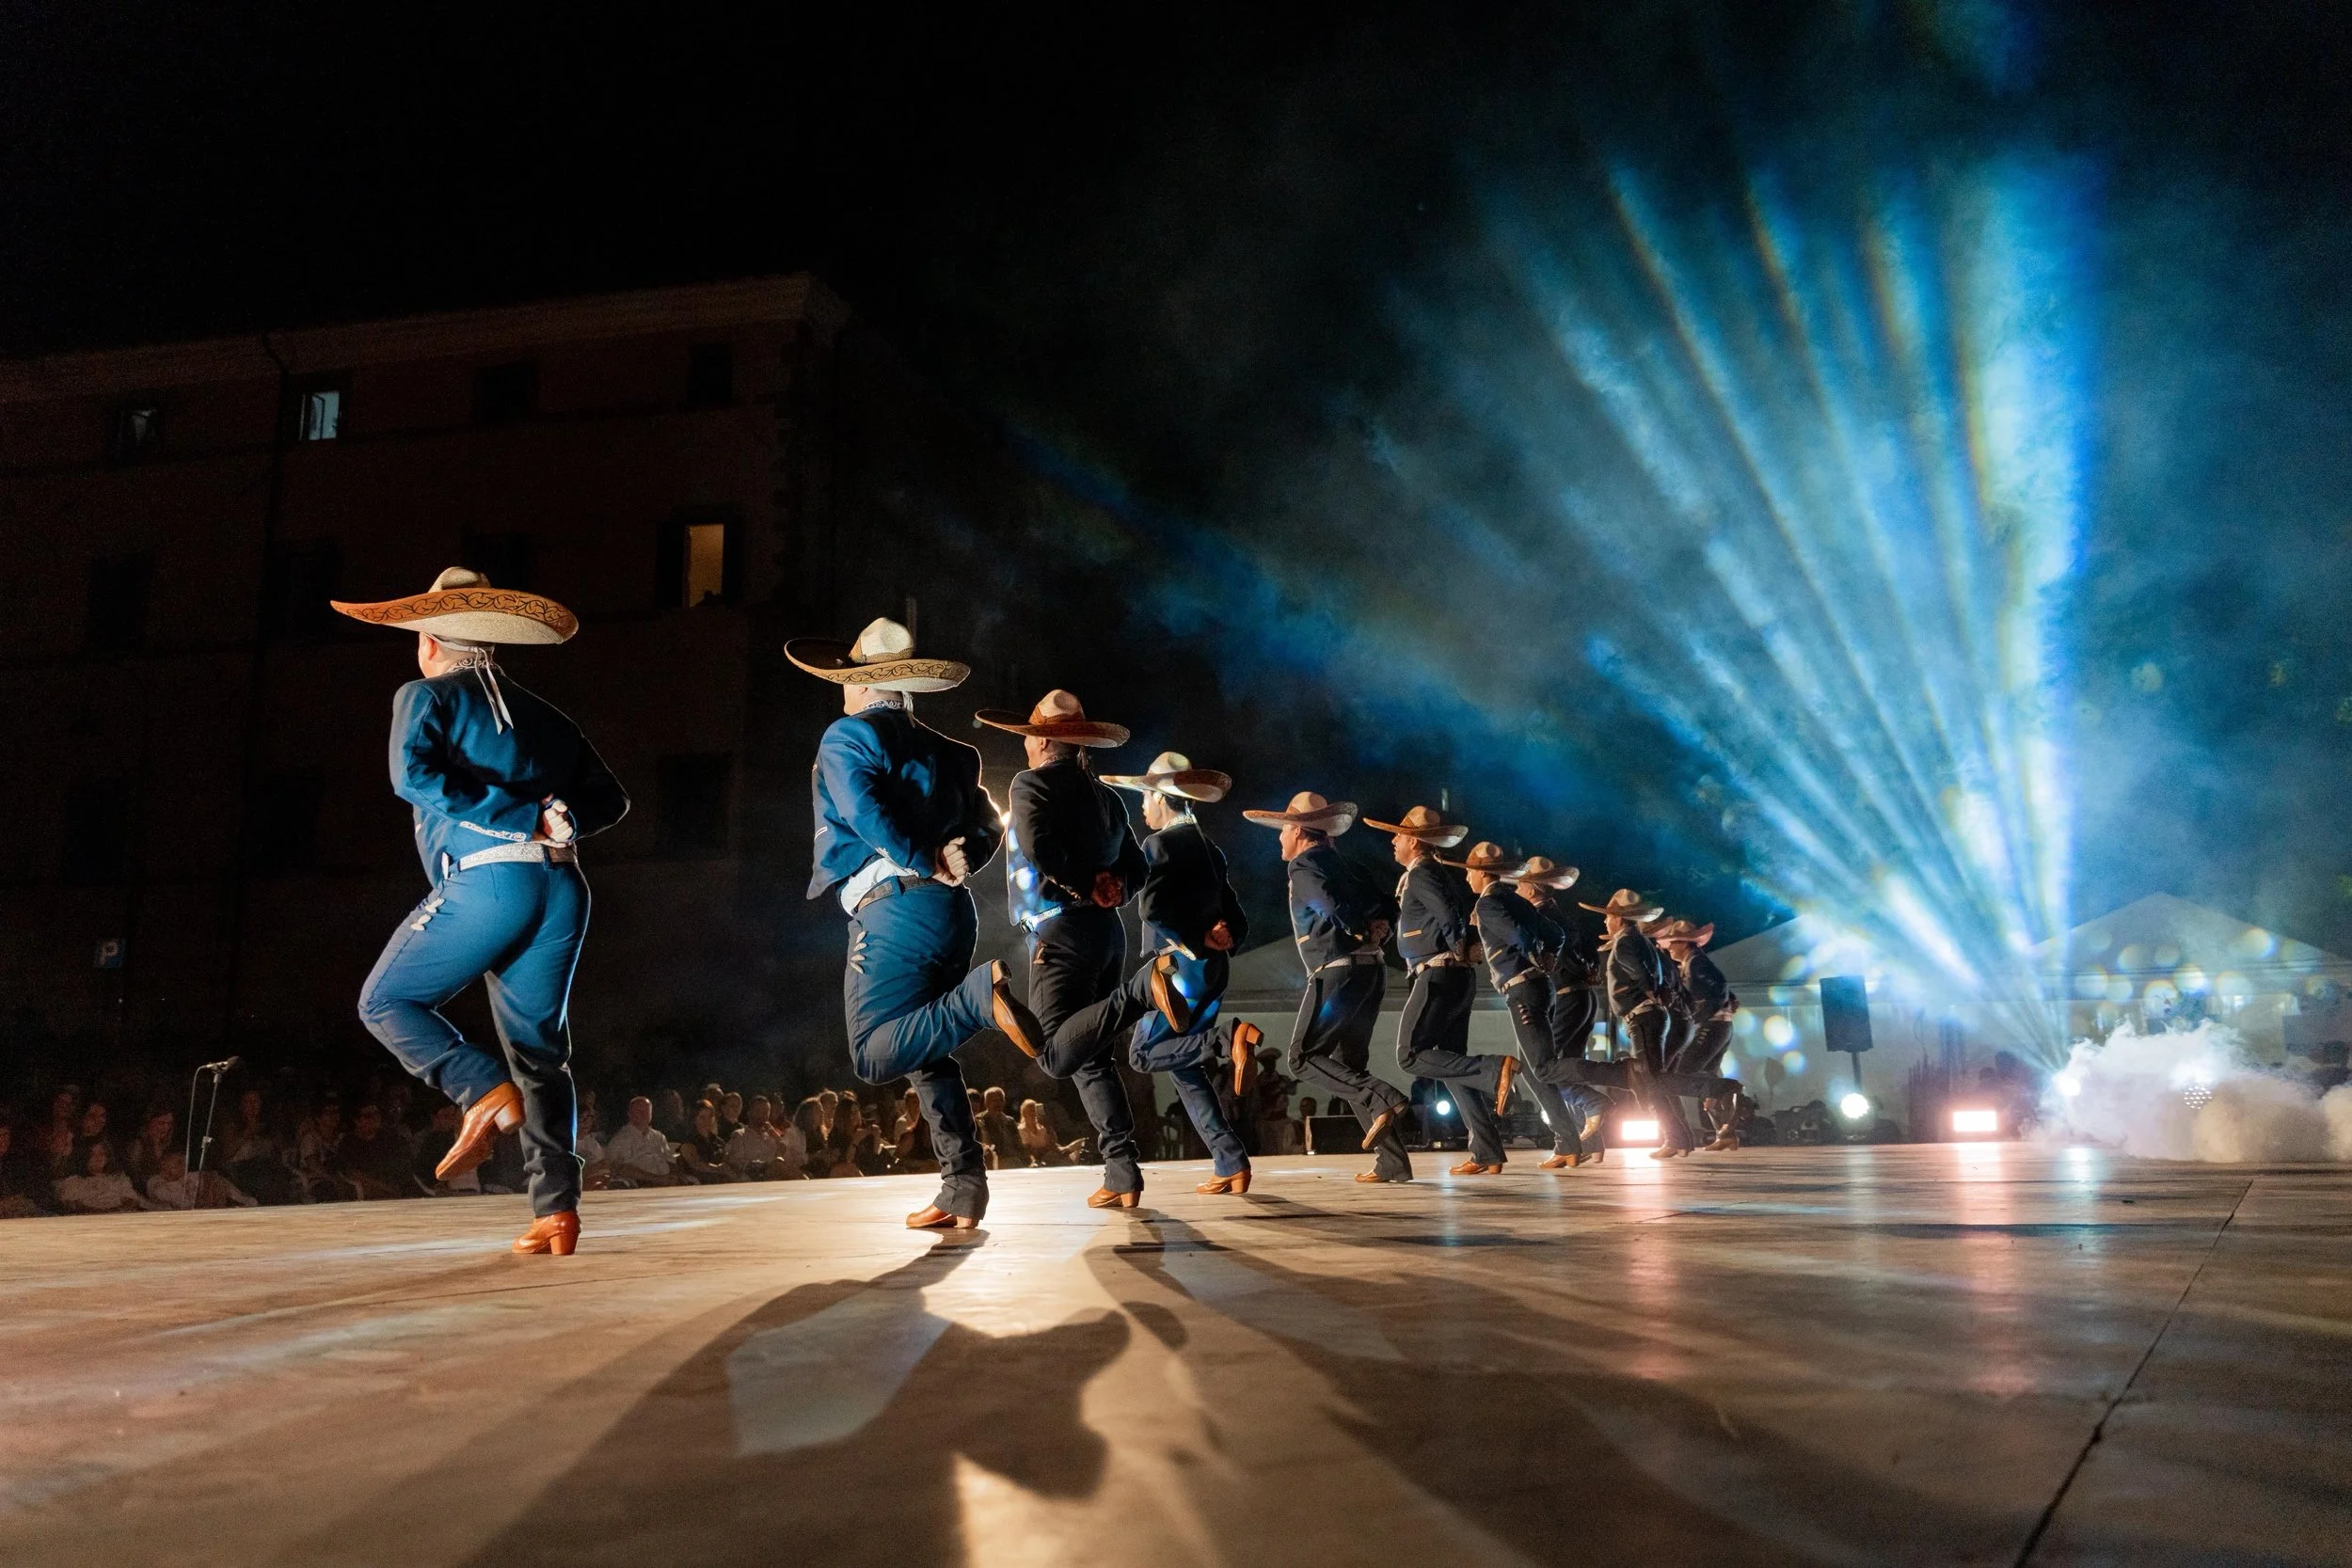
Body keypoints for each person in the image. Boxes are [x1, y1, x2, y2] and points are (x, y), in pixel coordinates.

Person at [339, 567, 629, 1256]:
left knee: (384, 1001)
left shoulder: (424, 694)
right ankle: (556, 1209)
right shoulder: (548, 715)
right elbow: (611, 800)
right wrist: (560, 819)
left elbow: (410, 775)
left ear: (430, 640)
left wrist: (522, 818)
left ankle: (480, 1089)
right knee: (541, 1053)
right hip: (563, 888)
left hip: (491, 882)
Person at [790, 616, 1042, 1229]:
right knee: (927, 1051)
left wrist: (922, 856)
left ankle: (981, 997)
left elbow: (864, 809)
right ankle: (963, 1185)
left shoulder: (846, 737)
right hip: (951, 911)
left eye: (848, 680)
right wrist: (962, 856)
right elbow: (990, 823)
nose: (842, 691)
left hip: (894, 907)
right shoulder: (954, 753)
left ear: (871, 686)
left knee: (874, 1054)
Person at [977, 689, 1152, 1211]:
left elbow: (1036, 845)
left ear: (1046, 740)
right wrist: (1112, 885)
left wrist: (1081, 882)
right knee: (1090, 1059)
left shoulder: (1031, 783)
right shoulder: (1107, 798)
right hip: (1106, 932)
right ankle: (1122, 1173)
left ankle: (1144, 990)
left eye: (1032, 739)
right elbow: (1138, 868)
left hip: (1060, 932)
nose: (1027, 749)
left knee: (1054, 1053)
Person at [1242, 791, 1412, 1182]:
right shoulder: (1346, 864)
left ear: (1300, 832)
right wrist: (1377, 931)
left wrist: (1354, 929)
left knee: (1302, 1058)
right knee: (1350, 1066)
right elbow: (1390, 905)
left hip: (1337, 972)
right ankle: (1392, 1162)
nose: (1279, 838)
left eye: (1283, 829)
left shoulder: (1304, 864)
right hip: (1371, 972)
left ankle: (1383, 1096)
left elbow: (1329, 905)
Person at [1373, 811, 1512, 1177]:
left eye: (1399, 836)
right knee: (1452, 1067)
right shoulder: (1433, 874)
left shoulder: (1422, 873)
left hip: (1439, 973)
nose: (1393, 842)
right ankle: (1487, 1151)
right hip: (1452, 975)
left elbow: (1449, 915)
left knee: (1409, 1054)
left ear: (1415, 841)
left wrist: (1457, 946)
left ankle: (1494, 1068)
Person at [1506, 857, 1618, 1166]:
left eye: (1519, 885)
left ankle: (1590, 1104)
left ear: (1530, 889)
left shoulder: (1541, 917)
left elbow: (1559, 956)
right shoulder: (1560, 914)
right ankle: (1589, 1139)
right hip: (1580, 998)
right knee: (1562, 1066)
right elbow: (1586, 955)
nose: (1516, 889)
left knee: (1540, 1068)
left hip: (1566, 997)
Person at [1584, 887, 1692, 1158]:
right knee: (1652, 1078)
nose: (1606, 921)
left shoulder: (1625, 943)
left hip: (1642, 1017)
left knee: (1649, 1080)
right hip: (1650, 1016)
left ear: (1619, 919)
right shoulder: (1640, 940)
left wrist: (1647, 991)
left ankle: (1676, 1137)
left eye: (1609, 917)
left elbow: (1640, 974)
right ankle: (1679, 1137)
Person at [1656, 918, 1741, 1151]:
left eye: (1672, 942)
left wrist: (1697, 1018)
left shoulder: (1695, 963)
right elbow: (1720, 986)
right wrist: (1729, 999)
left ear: (1684, 943)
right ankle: (1725, 1132)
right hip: (1720, 1027)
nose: (1669, 947)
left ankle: (1726, 1090)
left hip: (1712, 1027)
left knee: (1683, 1073)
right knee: (1707, 1076)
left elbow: (1719, 988)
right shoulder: (1695, 963)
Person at [56, 1140, 158, 1213]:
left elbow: (131, 1200)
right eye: (93, 1154)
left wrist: (116, 1212)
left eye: (102, 1153)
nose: (98, 1158)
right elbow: (73, 1206)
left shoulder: (118, 1178)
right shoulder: (74, 1182)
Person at [338, 1102, 413, 1198]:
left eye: (377, 1114)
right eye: (369, 1116)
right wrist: (384, 1187)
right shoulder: (348, 1143)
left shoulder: (389, 1137)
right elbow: (353, 1173)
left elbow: (403, 1161)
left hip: (396, 1184)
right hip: (371, 1188)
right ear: (357, 1120)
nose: (375, 1118)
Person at [604, 1097, 681, 1186]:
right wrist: (656, 1179)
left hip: (665, 1182)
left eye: (647, 1111)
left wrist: (675, 1176)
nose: (644, 1114)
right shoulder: (621, 1139)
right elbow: (620, 1168)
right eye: (639, 1111)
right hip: (639, 1184)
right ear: (630, 1114)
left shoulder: (658, 1136)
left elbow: (670, 1160)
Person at [146, 1149, 257, 1210]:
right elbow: (185, 1202)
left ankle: (245, 1201)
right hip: (194, 1211)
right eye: (178, 1162)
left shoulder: (191, 1176)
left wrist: (211, 1181)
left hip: (213, 1198)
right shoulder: (158, 1184)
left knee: (221, 1182)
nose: (183, 1165)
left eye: (184, 1162)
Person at [724, 1094, 786, 1180]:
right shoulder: (740, 1135)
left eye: (765, 1112)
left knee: (782, 1164)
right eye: (758, 1111)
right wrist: (760, 1165)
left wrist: (774, 1134)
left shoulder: (771, 1136)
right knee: (779, 1164)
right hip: (753, 1175)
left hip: (773, 1175)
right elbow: (736, 1162)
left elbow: (784, 1151)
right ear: (749, 1113)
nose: (761, 1115)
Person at [675, 1101, 736, 1182]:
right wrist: (717, 1169)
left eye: (710, 1116)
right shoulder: (689, 1142)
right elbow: (695, 1164)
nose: (707, 1121)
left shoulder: (719, 1142)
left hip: (721, 1180)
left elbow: (726, 1161)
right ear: (694, 1119)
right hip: (700, 1181)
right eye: (702, 1117)